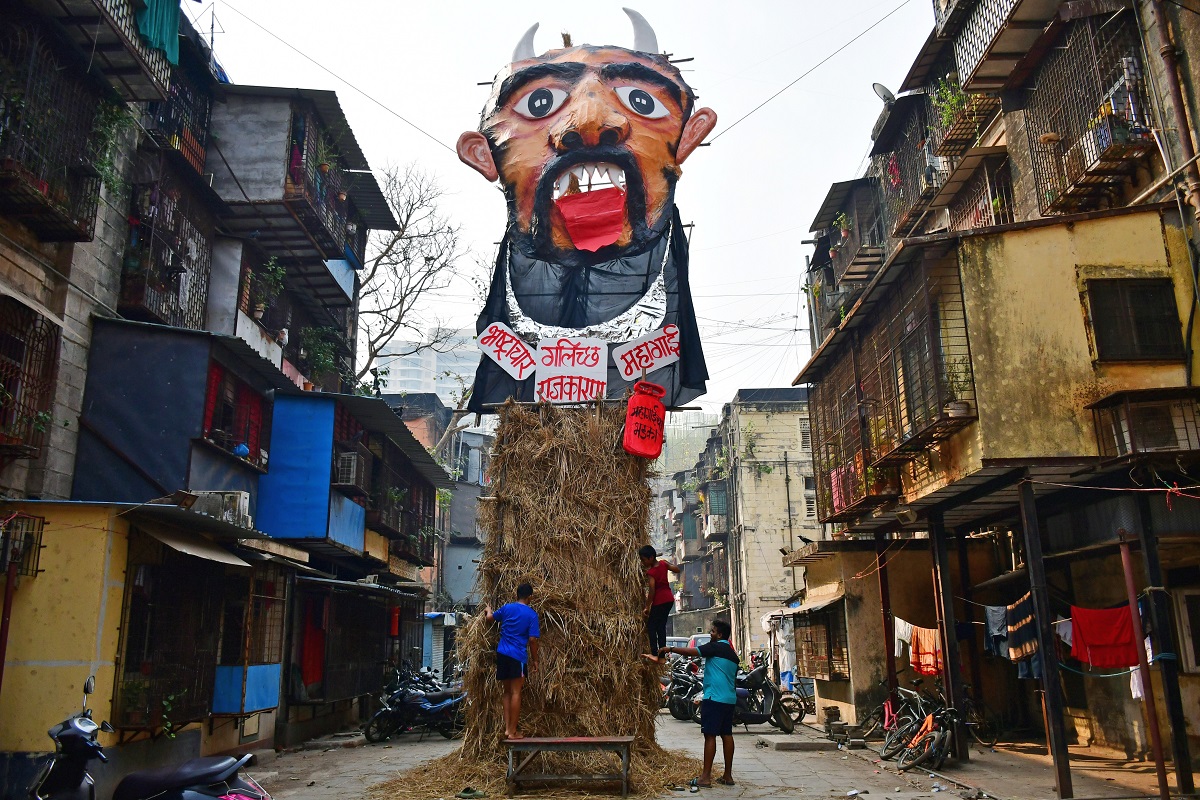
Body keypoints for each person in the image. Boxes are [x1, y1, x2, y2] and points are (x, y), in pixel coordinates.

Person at [660, 620, 738, 788]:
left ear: (720, 635)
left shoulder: (715, 647)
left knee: (710, 735)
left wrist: (670, 649)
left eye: (713, 631)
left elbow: (691, 651)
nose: (710, 634)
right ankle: (728, 776)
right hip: (729, 699)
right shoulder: (732, 653)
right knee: (727, 735)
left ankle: (705, 777)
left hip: (714, 698)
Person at [485, 583, 540, 740]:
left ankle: (507, 729)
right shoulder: (531, 614)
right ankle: (513, 732)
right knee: (516, 692)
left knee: (507, 692)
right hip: (518, 656)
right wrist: (535, 660)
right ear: (530, 597)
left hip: (502, 653)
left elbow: (490, 618)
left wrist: (489, 610)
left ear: (517, 595)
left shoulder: (507, 608)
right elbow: (532, 639)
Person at [639, 545, 681, 661]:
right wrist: (667, 564)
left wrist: (647, 607)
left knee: (652, 626)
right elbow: (677, 569)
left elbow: (652, 590)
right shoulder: (663, 564)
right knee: (661, 626)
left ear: (651, 557)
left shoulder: (651, 572)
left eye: (644, 559)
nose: (643, 562)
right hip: (669, 599)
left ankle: (654, 653)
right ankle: (662, 656)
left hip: (660, 600)